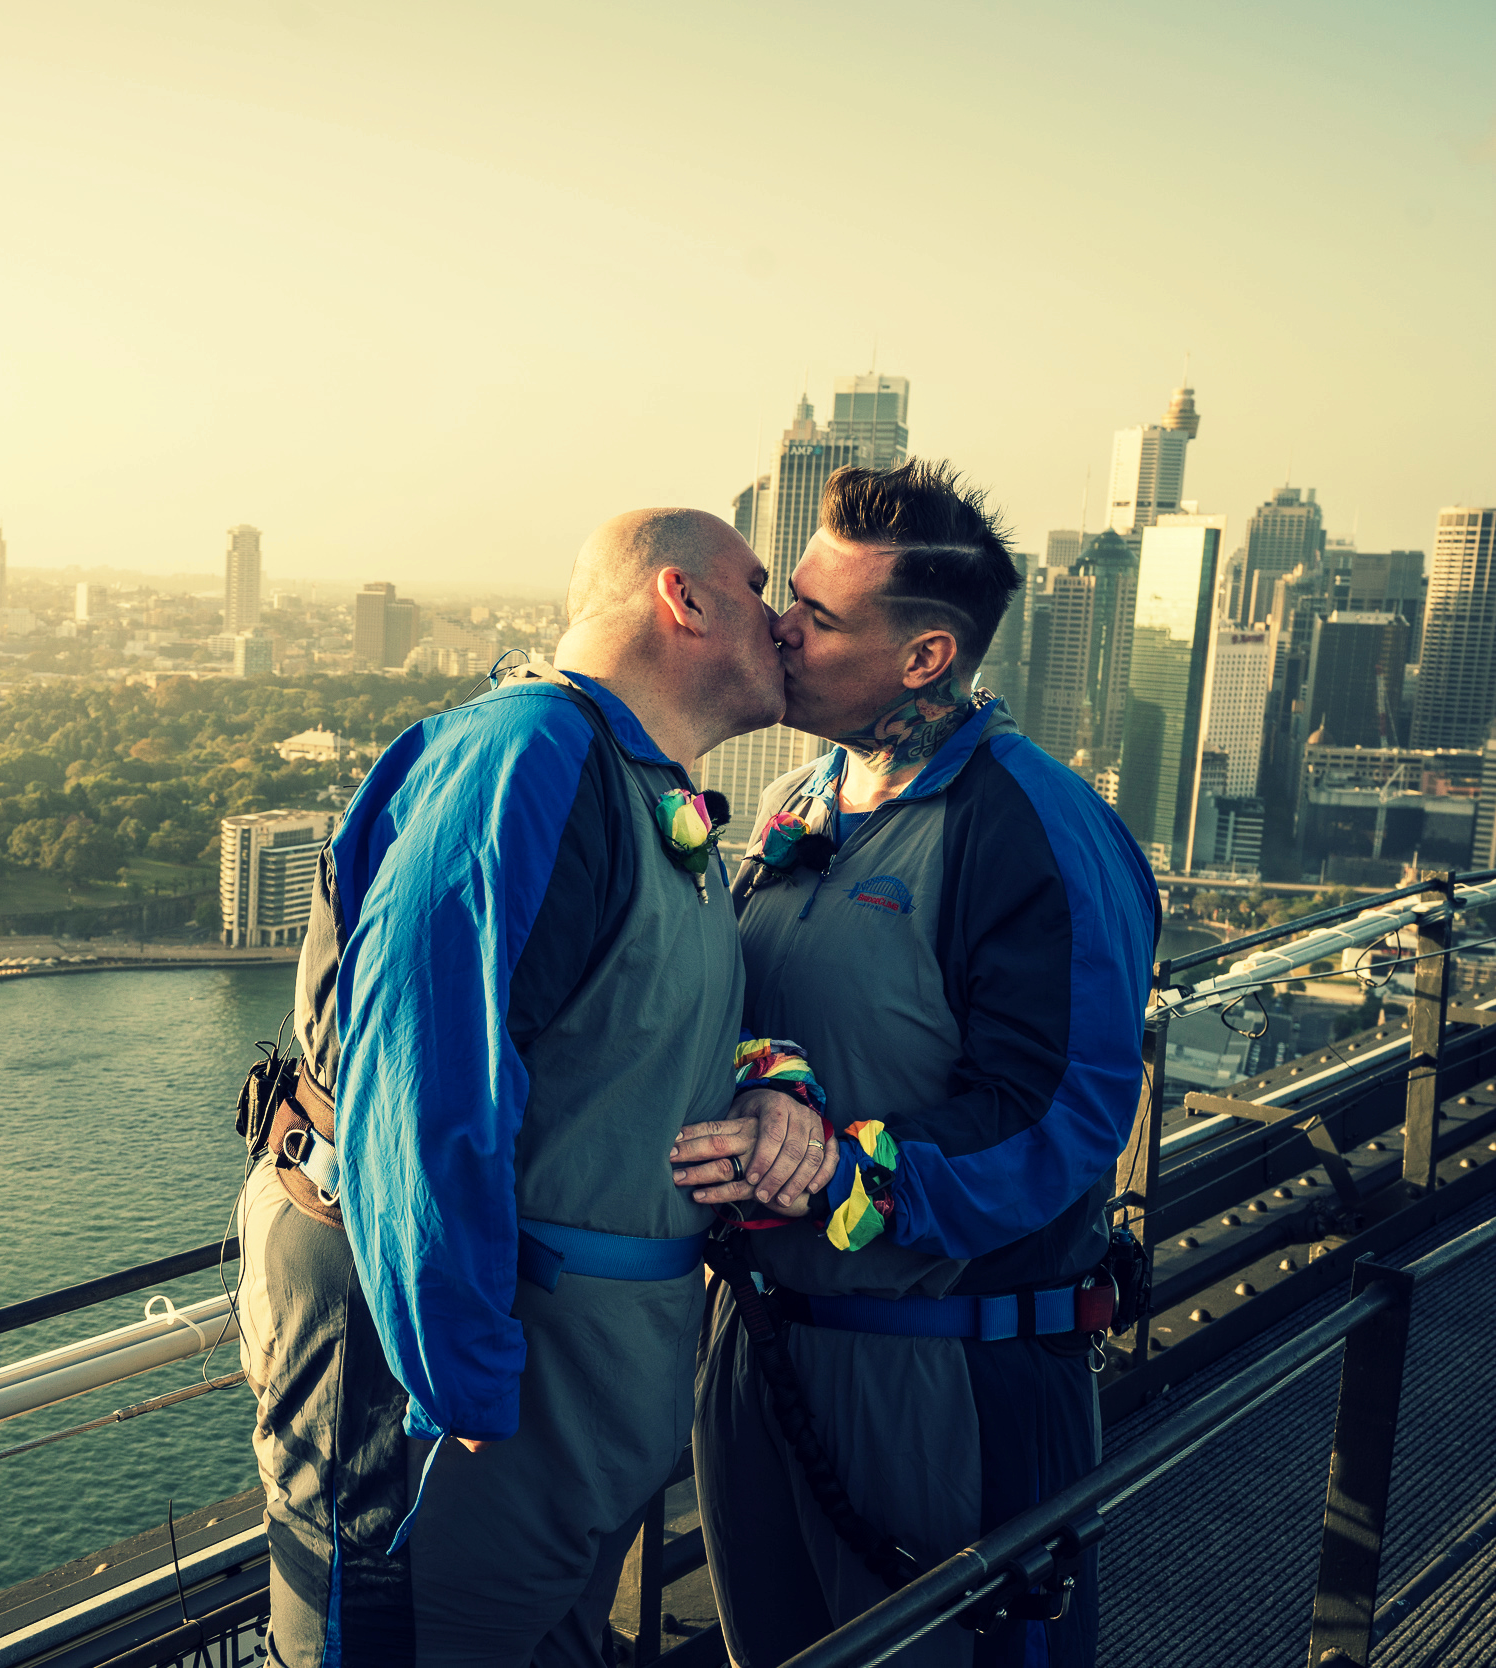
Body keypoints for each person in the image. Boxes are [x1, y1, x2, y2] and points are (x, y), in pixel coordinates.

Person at [235, 507, 791, 1667]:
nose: (783, 618)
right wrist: (465, 1383)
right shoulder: (529, 754)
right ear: (680, 599)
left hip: (572, 1410)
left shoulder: (640, 789)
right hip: (454, 1420)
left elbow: (638, 1035)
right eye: (759, 585)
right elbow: (421, 1084)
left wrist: (769, 1093)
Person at [670, 461, 1159, 1668]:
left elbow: (1057, 1116)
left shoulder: (1029, 827)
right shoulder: (799, 803)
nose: (781, 625)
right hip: (758, 1351)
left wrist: (836, 1174)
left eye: (820, 616)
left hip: (946, 1374)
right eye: (791, 594)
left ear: (925, 657)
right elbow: (735, 1010)